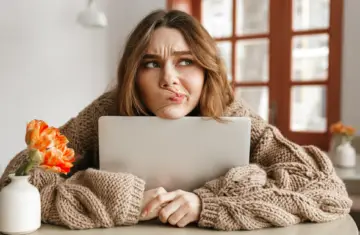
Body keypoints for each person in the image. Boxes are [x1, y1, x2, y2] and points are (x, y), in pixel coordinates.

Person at [0, 9, 352, 231]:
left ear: (206, 70)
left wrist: (208, 205)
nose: (169, 78)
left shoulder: (229, 111)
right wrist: (118, 199)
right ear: (134, 76)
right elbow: (16, 182)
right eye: (151, 64)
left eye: (185, 61)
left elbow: (327, 191)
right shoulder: (106, 110)